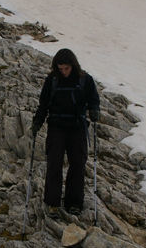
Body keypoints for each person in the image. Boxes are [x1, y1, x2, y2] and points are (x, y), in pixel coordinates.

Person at [31, 48, 100, 216]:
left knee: (78, 164)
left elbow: (93, 99)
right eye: (60, 69)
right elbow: (43, 104)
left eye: (66, 68)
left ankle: (74, 202)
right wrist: (37, 122)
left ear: (73, 66)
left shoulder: (85, 80)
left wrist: (94, 110)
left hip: (77, 127)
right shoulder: (52, 80)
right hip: (56, 127)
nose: (64, 72)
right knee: (54, 163)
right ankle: (52, 202)